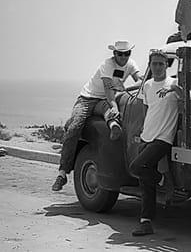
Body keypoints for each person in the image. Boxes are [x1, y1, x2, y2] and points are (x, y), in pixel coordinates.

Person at [52, 41, 143, 191]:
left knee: (112, 113)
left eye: (127, 53)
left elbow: (139, 78)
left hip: (104, 101)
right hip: (88, 98)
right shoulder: (107, 65)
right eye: (120, 54)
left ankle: (114, 126)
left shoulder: (131, 64)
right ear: (114, 54)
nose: (124, 57)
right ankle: (62, 172)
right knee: (75, 127)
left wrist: (146, 82)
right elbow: (108, 88)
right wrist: (114, 104)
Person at [130, 50, 182, 236]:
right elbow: (147, 110)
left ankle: (162, 180)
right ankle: (146, 222)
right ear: (150, 66)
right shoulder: (148, 86)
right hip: (147, 136)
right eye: (154, 64)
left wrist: (179, 91)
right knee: (145, 182)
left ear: (167, 65)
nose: (158, 67)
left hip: (163, 138)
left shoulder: (174, 83)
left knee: (136, 168)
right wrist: (142, 131)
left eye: (161, 64)